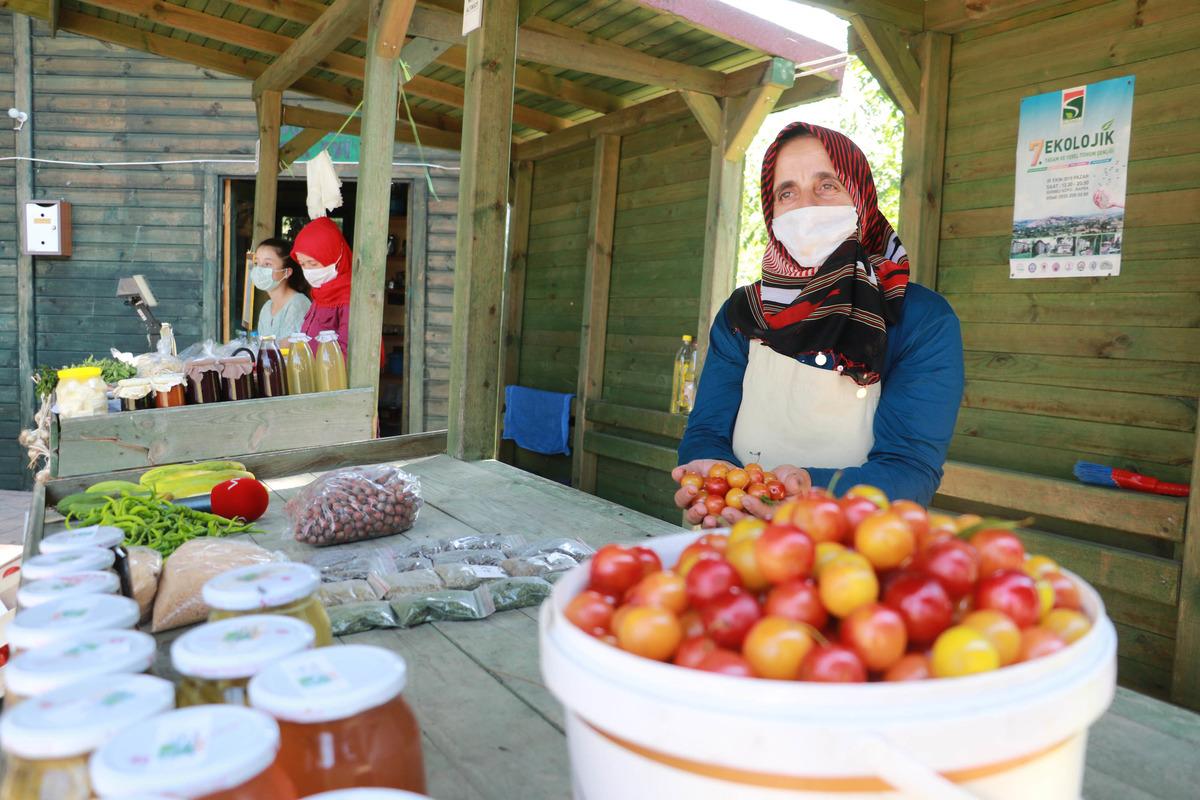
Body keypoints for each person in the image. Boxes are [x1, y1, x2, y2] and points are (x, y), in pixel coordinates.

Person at [673, 122, 964, 528]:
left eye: (827, 186)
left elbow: (909, 468)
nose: (806, 207)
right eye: (787, 192)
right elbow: (706, 429)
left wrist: (809, 491)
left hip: (851, 556)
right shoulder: (744, 312)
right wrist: (713, 476)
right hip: (728, 534)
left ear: (861, 196)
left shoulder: (919, 319)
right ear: (771, 210)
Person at [291, 217, 352, 354]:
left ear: (336, 256)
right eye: (302, 264)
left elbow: (348, 353)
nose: (308, 270)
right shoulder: (321, 292)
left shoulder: (349, 298)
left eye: (313, 263)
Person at [251, 238, 311, 340]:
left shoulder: (297, 304)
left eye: (267, 264)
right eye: (257, 263)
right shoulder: (267, 307)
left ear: (287, 272)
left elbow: (286, 350)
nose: (259, 269)